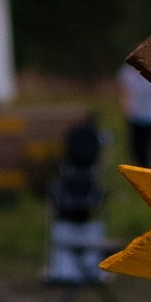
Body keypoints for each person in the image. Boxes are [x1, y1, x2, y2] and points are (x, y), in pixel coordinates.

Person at [44, 117, 112, 287]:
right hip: (82, 203)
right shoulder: (87, 182)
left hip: (76, 204)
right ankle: (67, 268)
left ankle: (63, 269)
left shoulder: (71, 182)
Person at [118, 62, 151, 171]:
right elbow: (125, 92)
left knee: (146, 149)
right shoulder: (128, 72)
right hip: (135, 116)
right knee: (135, 149)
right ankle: (138, 171)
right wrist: (126, 110)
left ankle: (148, 172)